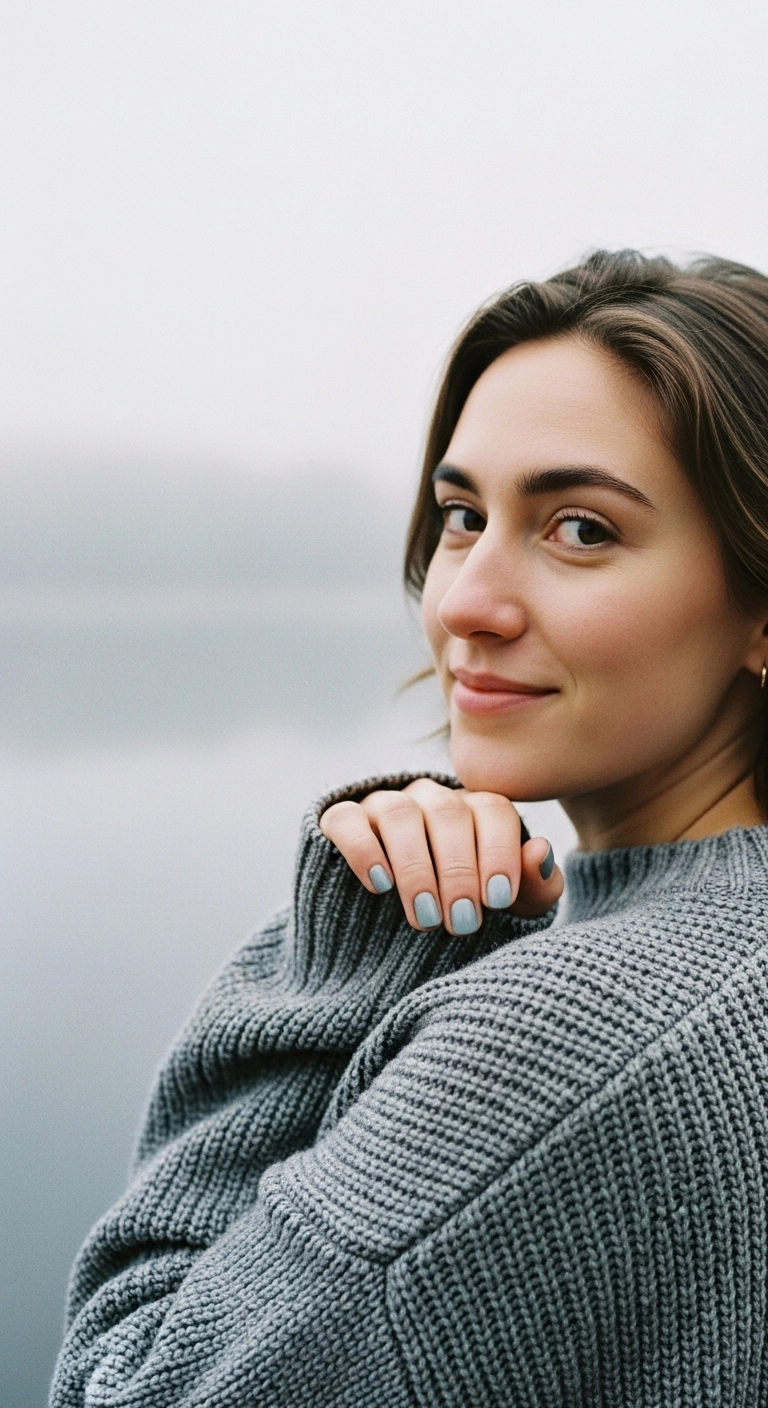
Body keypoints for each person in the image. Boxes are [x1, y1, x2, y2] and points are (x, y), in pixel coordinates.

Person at [51, 250, 768, 1406]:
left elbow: (127, 1385)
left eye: (581, 528)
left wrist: (346, 960)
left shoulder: (569, 1046)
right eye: (461, 515)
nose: (468, 602)